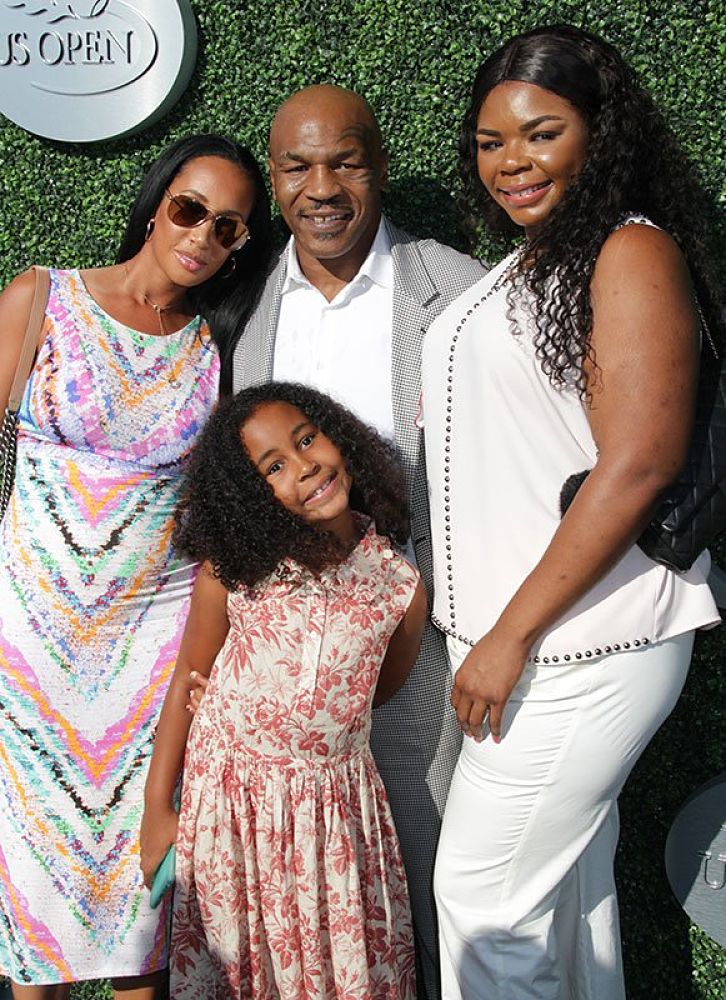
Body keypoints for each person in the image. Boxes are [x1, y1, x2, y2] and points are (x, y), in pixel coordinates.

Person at [421, 24, 722, 1000]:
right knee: (566, 908)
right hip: (540, 646)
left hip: (583, 644)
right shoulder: (534, 260)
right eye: (491, 141)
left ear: (599, 132)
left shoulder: (628, 249)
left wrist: (507, 636)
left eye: (540, 133)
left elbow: (638, 464)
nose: (511, 161)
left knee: (487, 905)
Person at [0, 134, 273, 999]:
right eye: (191, 209)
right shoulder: (44, 296)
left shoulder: (213, 347)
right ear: (158, 203)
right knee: (31, 901)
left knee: (141, 911)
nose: (201, 236)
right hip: (28, 641)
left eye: (228, 228)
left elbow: (216, 516)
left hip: (151, 650)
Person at [231, 84, 485, 998]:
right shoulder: (247, 310)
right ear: (275, 179)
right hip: (290, 679)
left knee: (434, 878)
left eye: (343, 160)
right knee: (316, 903)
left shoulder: (455, 289)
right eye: (297, 166)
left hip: (423, 646)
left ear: (376, 162)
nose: (322, 185)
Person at [139, 381, 427, 998]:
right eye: (275, 466)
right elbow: (190, 674)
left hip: (331, 826)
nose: (305, 467)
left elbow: (370, 697)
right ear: (255, 493)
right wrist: (157, 808)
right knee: (241, 972)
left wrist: (300, 733)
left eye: (306, 440)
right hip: (229, 814)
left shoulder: (400, 587)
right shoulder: (241, 567)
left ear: (336, 435)